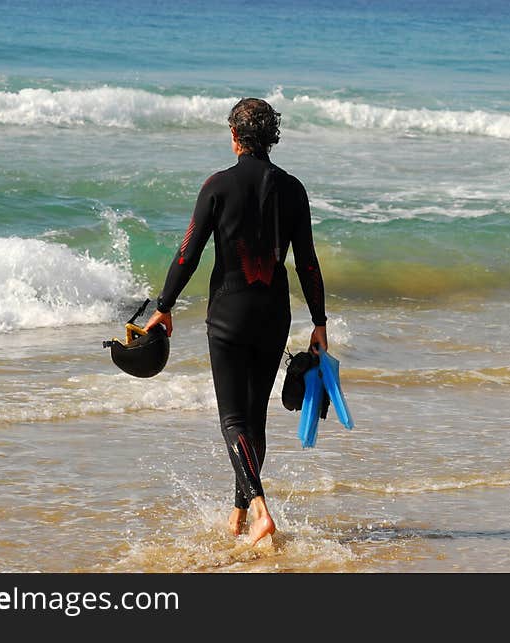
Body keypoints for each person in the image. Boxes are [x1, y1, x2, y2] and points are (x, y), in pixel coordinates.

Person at [143, 98, 328, 545]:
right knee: (254, 418)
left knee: (232, 420)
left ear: (233, 137)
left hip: (228, 316)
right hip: (273, 315)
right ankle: (238, 516)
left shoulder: (217, 186)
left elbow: (187, 253)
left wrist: (164, 306)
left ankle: (260, 510)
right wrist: (319, 321)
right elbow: (307, 263)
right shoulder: (293, 189)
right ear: (271, 138)